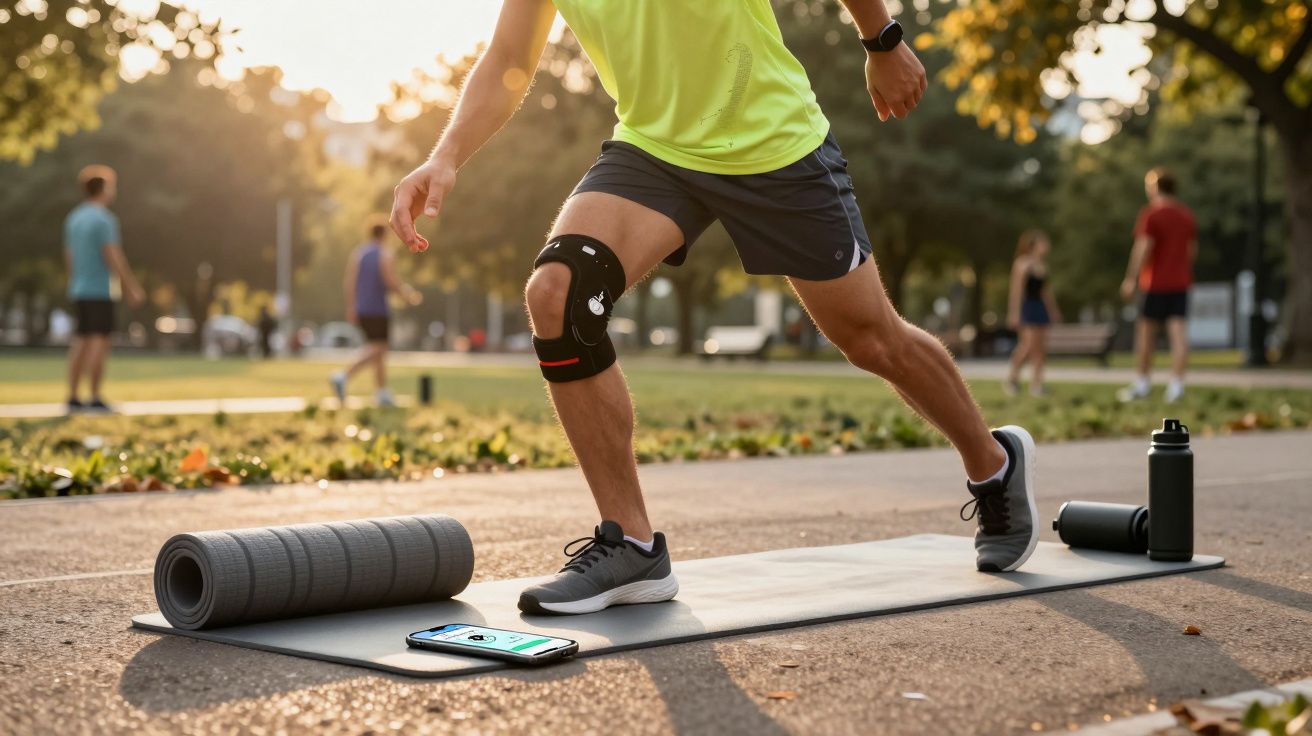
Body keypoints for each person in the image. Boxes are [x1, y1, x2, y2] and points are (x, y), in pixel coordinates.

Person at [391, 0, 1041, 615]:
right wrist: (445, 156)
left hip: (773, 141)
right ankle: (632, 545)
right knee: (557, 294)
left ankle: (992, 464)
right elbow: (510, 57)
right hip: (656, 149)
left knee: (872, 339)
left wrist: (883, 40)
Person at [63, 165, 145, 413]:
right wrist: (130, 287)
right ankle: (95, 397)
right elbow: (113, 255)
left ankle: (73, 396)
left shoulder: (74, 218)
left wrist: (74, 281)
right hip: (99, 289)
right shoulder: (104, 219)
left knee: (81, 340)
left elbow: (69, 255)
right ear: (105, 189)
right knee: (99, 341)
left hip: (79, 288)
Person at [1119, 168, 1196, 403]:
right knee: (1178, 334)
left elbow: (1143, 247)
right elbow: (1192, 251)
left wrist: (1131, 278)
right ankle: (1176, 387)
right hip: (1180, 282)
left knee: (1145, 335)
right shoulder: (1186, 215)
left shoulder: (1152, 214)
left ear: (1154, 187)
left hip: (1154, 283)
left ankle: (1142, 384)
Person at [331, 218, 421, 407]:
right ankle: (343, 376)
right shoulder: (384, 253)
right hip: (377, 308)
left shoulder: (359, 254)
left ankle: (381, 392)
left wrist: (351, 307)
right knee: (378, 349)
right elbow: (389, 280)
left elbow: (350, 283)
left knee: (378, 349)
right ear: (385, 235)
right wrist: (407, 295)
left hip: (362, 308)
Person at [1005, 230, 1062, 397]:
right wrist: (1014, 313)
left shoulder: (1042, 266)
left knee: (1041, 349)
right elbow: (1016, 291)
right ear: (1034, 245)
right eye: (1043, 242)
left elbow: (1045, 293)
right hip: (1027, 308)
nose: (1047, 246)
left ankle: (1037, 385)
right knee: (1027, 346)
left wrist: (1053, 311)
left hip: (1040, 308)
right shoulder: (1022, 264)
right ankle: (1012, 379)